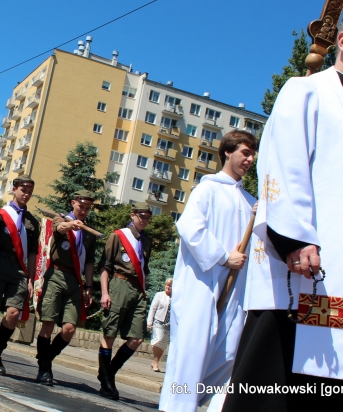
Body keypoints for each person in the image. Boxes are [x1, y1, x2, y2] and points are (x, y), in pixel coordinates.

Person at [223, 5, 343, 412]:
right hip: (315, 275)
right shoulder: (305, 90)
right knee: (303, 385)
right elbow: (283, 164)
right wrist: (295, 238)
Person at [159, 130, 257, 412]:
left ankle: (192, 402)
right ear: (228, 152)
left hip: (234, 290)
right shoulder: (207, 189)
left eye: (252, 155)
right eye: (245, 153)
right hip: (201, 286)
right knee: (191, 354)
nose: (249, 160)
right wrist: (225, 257)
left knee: (228, 354)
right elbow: (190, 228)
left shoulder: (251, 202)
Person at [0, 175, 40, 375]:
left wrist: (30, 279)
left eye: (30, 191)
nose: (26, 194)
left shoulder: (32, 223)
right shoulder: (0, 215)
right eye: (23, 189)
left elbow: (32, 253)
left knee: (13, 313)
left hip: (19, 271)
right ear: (14, 189)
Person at [35, 190, 97, 386]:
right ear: (73, 203)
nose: (84, 211)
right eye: (81, 207)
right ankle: (44, 369)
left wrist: (88, 286)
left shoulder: (89, 232)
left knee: (69, 328)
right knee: (48, 323)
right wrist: (71, 225)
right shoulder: (61, 219)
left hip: (75, 280)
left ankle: (46, 358)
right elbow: (60, 228)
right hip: (57, 275)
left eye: (88, 208)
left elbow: (89, 262)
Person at [97, 202, 154, 400]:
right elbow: (105, 266)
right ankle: (107, 383)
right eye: (141, 216)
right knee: (110, 333)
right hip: (118, 284)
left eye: (148, 217)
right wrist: (105, 292)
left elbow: (144, 268)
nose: (144, 220)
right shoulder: (118, 236)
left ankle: (108, 373)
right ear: (133, 215)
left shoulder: (146, 241)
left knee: (137, 338)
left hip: (137, 289)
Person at [147, 278, 172, 373]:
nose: (168, 287)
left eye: (170, 286)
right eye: (167, 285)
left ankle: (155, 362)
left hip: (169, 324)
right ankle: (155, 361)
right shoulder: (159, 295)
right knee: (158, 339)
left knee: (163, 343)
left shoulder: (175, 297)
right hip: (158, 322)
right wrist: (149, 322)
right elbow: (153, 308)